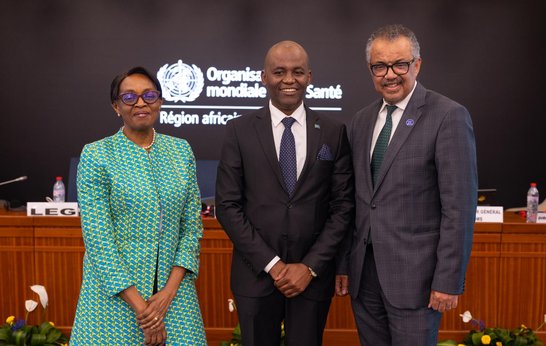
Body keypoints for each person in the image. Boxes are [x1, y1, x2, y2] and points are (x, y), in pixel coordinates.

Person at [336, 24, 478, 345]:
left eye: (400, 64)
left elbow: (459, 208)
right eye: (379, 66)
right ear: (370, 69)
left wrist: (448, 280)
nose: (390, 74)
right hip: (364, 277)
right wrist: (344, 263)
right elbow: (356, 201)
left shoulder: (448, 116)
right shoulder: (361, 121)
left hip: (418, 280)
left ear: (417, 64)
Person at [215, 41, 354, 346]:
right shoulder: (238, 131)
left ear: (310, 76)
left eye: (297, 72)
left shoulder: (333, 131)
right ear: (264, 77)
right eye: (279, 72)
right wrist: (273, 265)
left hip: (312, 279)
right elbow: (227, 206)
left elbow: (343, 206)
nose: (289, 80)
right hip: (256, 276)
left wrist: (310, 266)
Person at [70, 66, 206, 345]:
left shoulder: (180, 151)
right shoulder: (97, 155)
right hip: (114, 297)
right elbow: (98, 240)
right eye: (129, 97)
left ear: (160, 101)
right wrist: (144, 311)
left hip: (173, 295)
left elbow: (191, 228)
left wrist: (167, 295)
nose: (141, 103)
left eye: (149, 95)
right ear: (116, 107)